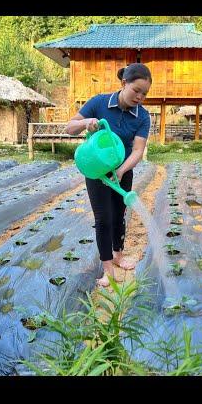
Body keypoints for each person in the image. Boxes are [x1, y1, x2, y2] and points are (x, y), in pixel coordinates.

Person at [65, 63, 152, 287]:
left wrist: (122, 171)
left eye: (144, 94)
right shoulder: (99, 103)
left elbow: (138, 151)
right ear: (124, 83)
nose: (140, 97)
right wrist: (86, 122)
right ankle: (108, 270)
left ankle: (118, 256)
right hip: (97, 171)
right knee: (103, 219)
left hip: (122, 172)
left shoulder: (142, 116)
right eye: (137, 91)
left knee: (119, 216)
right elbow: (70, 127)